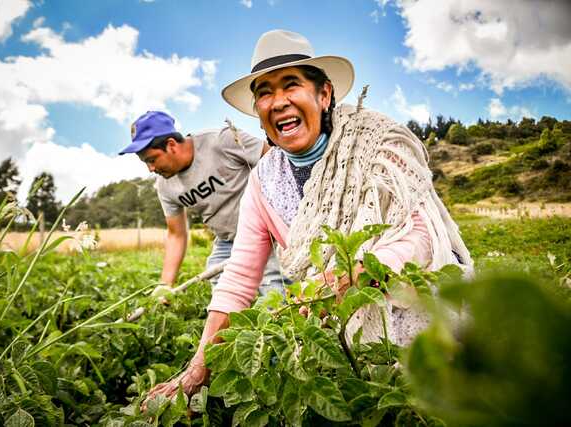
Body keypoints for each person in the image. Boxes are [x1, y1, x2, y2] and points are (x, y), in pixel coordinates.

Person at [144, 29, 472, 403]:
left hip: (417, 298)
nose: (278, 101)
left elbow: (420, 236)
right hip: (346, 316)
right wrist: (197, 368)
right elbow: (238, 277)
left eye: (291, 85)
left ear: (324, 94)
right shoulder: (264, 181)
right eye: (265, 92)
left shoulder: (377, 143)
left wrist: (348, 276)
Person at [119, 110, 284, 293]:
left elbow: (279, 164)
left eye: (152, 159)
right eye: (145, 162)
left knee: (275, 291)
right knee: (221, 294)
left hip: (266, 232)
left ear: (171, 145)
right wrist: (165, 285)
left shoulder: (222, 141)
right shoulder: (165, 186)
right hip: (227, 240)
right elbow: (176, 235)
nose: (150, 169)